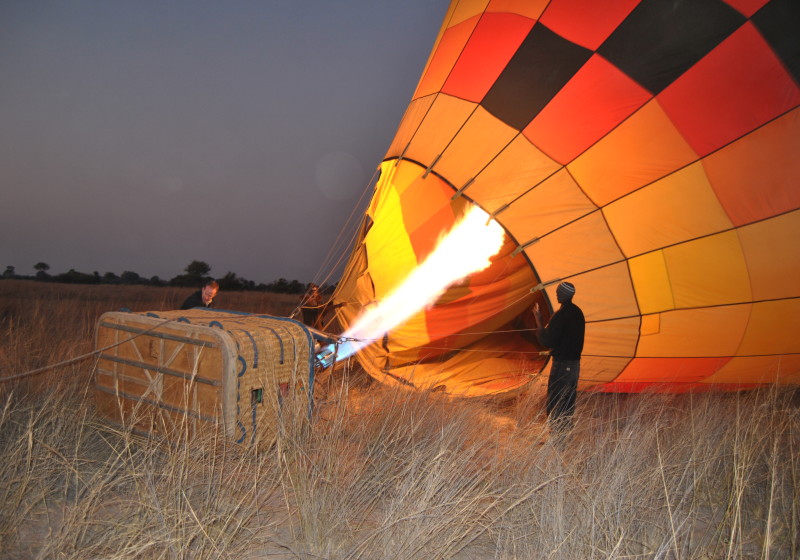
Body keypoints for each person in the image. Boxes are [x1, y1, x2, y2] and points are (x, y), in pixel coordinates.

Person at [533, 281, 585, 430]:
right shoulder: (578, 312)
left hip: (562, 364)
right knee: (568, 397)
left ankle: (556, 430)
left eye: (558, 292)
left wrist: (539, 321)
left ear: (563, 294)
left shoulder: (561, 315)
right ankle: (565, 428)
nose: (556, 294)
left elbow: (547, 340)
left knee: (556, 396)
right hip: (574, 364)